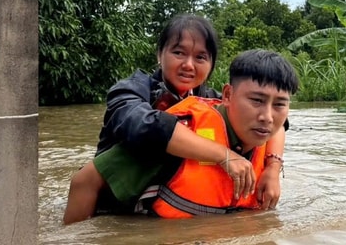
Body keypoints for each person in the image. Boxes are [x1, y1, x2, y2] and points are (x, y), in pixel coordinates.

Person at [62, 15, 286, 224]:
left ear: (211, 65)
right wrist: (224, 155)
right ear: (160, 54)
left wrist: (273, 168)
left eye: (200, 57)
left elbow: (276, 124)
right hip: (114, 191)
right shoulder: (131, 90)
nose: (189, 65)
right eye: (179, 53)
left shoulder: (212, 101)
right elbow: (145, 126)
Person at [151, 49, 298, 218]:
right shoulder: (184, 126)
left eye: (279, 105)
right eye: (257, 100)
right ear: (227, 95)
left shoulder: (266, 134)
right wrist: (225, 156)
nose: (267, 117)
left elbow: (280, 127)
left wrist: (273, 169)